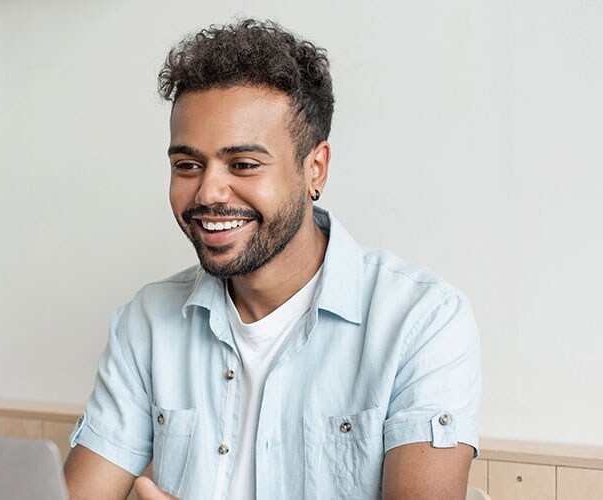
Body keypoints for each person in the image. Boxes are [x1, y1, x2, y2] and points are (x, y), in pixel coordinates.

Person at [62, 19, 481, 500]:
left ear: (314, 168)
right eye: (187, 165)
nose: (208, 191)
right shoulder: (148, 321)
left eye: (243, 164)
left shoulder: (421, 322)